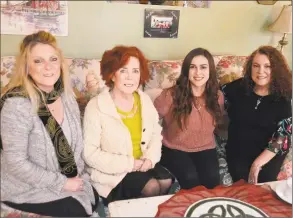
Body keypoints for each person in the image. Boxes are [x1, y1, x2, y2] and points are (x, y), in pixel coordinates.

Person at [0, 31, 99, 217]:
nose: (48, 67)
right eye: (38, 61)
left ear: (60, 63)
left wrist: (74, 177)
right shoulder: (17, 104)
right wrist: (63, 183)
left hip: (66, 176)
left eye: (53, 59)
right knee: (76, 210)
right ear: (27, 67)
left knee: (94, 198)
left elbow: (77, 134)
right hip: (25, 187)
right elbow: (16, 163)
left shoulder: (66, 95)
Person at [83, 46, 173, 205]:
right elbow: (90, 154)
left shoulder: (144, 100)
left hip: (142, 163)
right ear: (112, 75)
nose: (130, 77)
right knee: (151, 187)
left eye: (135, 71)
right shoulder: (96, 106)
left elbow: (155, 133)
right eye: (123, 71)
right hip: (113, 171)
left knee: (166, 181)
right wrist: (131, 164)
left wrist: (150, 160)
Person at [153, 48, 224, 189]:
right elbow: (149, 121)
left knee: (212, 180)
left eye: (203, 67)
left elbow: (218, 123)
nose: (198, 73)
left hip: (205, 147)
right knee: (190, 178)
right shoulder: (170, 95)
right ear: (186, 70)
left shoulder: (217, 96)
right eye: (193, 67)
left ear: (210, 70)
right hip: (174, 148)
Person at [221, 45, 292, 184]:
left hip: (269, 152)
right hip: (239, 147)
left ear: (276, 70)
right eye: (256, 66)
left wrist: (257, 164)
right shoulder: (238, 87)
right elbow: (212, 94)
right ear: (250, 68)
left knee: (264, 184)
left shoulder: (284, 97)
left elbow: (282, 137)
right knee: (242, 183)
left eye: (267, 66)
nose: (261, 71)